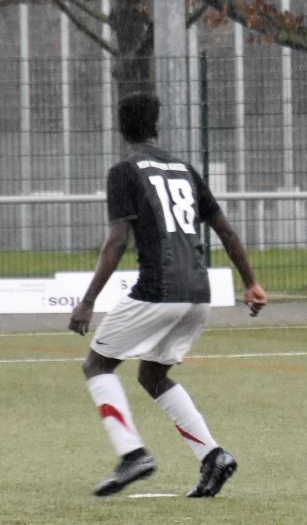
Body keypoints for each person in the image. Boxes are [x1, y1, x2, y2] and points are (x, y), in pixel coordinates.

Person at [68, 93, 267, 498]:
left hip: (158, 290)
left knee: (97, 364)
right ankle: (213, 456)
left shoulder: (124, 171)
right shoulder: (185, 169)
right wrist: (251, 282)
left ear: (121, 129)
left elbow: (116, 241)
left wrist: (88, 301)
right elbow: (225, 231)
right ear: (157, 126)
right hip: (198, 291)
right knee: (152, 374)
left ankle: (132, 454)